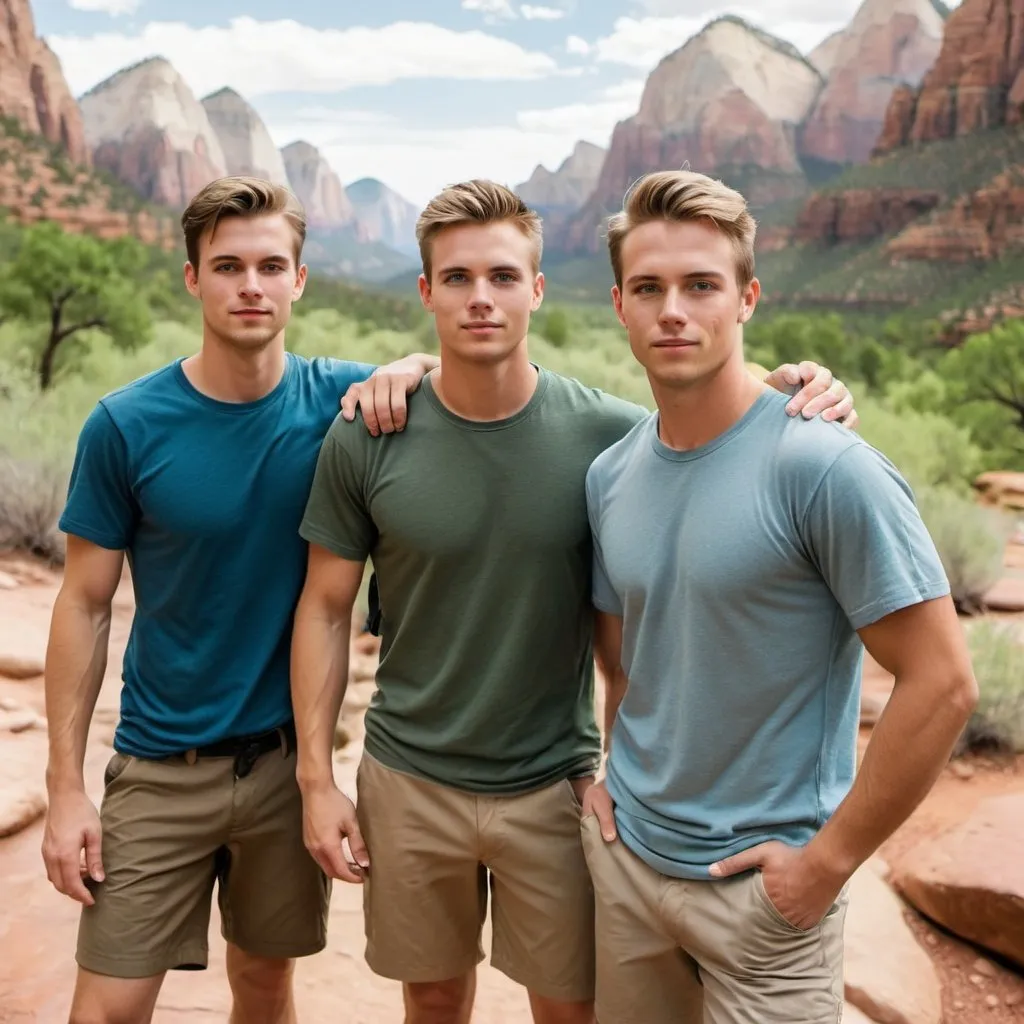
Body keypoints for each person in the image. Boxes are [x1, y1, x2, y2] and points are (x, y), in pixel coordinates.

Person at [288, 178, 858, 1024]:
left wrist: (801, 392)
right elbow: (326, 608)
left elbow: (709, 430)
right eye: (457, 278)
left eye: (504, 277)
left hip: (557, 785)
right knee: (433, 1000)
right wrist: (314, 779)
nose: (481, 298)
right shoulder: (370, 431)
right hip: (408, 778)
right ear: (425, 292)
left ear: (539, 289)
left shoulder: (611, 441)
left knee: (571, 1007)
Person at [580, 169, 979, 1024]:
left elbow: (944, 683)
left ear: (748, 297)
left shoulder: (821, 464)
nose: (673, 310)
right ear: (619, 304)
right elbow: (627, 661)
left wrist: (827, 866)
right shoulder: (610, 475)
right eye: (648, 288)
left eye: (701, 285)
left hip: (764, 897)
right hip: (629, 864)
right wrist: (611, 777)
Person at [40, 175, 438, 1024]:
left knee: (264, 987)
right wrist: (67, 789)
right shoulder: (125, 424)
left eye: (269, 265)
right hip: (158, 767)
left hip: (287, 774)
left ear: (299, 279)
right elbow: (83, 603)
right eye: (226, 266)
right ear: (193, 278)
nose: (249, 285)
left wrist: (414, 361)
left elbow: (489, 382)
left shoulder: (345, 403)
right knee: (105, 1008)